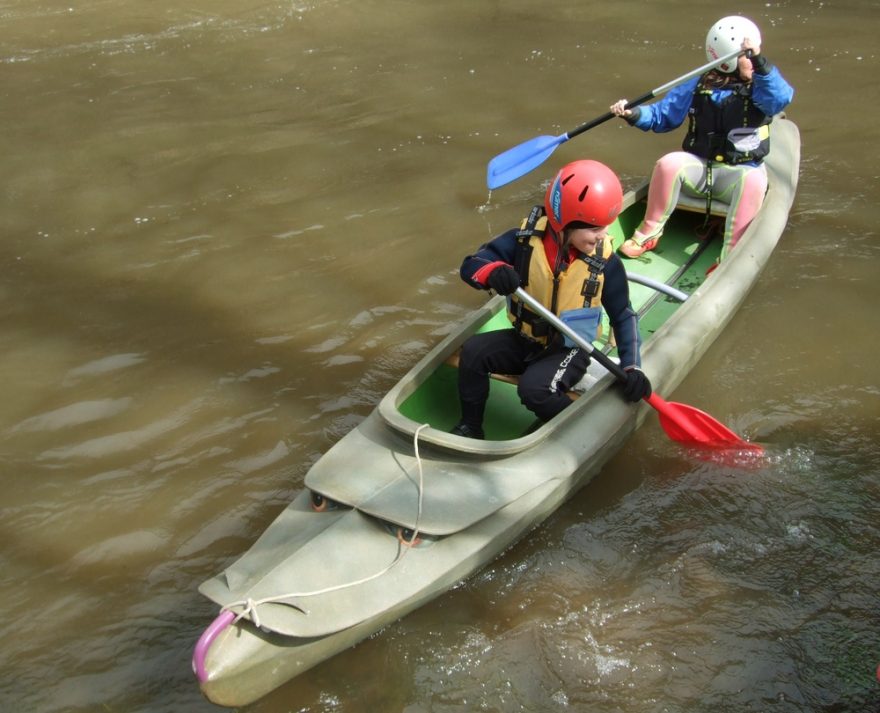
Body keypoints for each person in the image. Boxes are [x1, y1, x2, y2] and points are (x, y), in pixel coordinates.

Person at [451, 159, 651, 439]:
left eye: (606, 226)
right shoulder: (521, 243)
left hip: (569, 349)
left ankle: (581, 434)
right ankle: (470, 427)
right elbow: (471, 266)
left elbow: (623, 316)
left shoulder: (605, 263)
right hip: (526, 339)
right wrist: (493, 271)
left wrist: (631, 365)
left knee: (534, 389)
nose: (602, 235)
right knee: (473, 351)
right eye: (594, 229)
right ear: (564, 223)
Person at [610, 15, 794, 264]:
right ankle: (649, 233)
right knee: (668, 164)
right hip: (702, 172)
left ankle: (729, 258)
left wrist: (760, 62)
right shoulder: (699, 84)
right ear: (726, 61)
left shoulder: (761, 86)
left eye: (753, 56)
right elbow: (663, 115)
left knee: (752, 181)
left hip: (739, 175)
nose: (752, 62)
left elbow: (780, 99)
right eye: (746, 57)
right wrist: (633, 114)